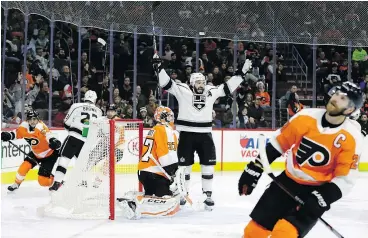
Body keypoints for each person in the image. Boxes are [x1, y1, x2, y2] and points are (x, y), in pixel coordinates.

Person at [238, 81, 364, 238]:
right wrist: (254, 169)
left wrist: (321, 199)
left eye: (343, 99)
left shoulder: (352, 137)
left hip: (314, 192)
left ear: (350, 109)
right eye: (337, 94)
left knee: (284, 234)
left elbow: (345, 179)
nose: (335, 98)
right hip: (286, 182)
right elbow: (279, 143)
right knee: (253, 233)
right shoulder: (305, 116)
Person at [153, 54, 252, 210]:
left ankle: (207, 194)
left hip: (205, 134)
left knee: (208, 165)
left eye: (203, 82)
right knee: (184, 166)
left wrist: (241, 73)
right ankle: (182, 193)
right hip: (186, 134)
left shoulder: (210, 91)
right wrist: (159, 68)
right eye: (198, 82)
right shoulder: (183, 90)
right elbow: (166, 83)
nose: (201, 84)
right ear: (192, 82)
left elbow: (227, 88)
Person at [117, 106, 181, 219]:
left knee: (152, 196)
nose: (172, 119)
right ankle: (135, 204)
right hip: (155, 173)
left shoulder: (154, 129)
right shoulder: (164, 130)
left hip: (144, 172)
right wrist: (173, 172)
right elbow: (165, 156)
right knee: (167, 199)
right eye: (169, 116)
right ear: (163, 118)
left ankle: (137, 201)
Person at [49, 90, 103, 191]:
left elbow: (66, 122)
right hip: (87, 141)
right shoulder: (99, 111)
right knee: (83, 163)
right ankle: (84, 183)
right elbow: (96, 128)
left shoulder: (76, 106)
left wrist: (73, 130)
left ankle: (57, 182)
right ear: (95, 100)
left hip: (73, 137)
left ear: (85, 97)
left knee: (64, 160)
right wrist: (85, 133)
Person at [1, 110, 61, 191]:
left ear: (38, 119)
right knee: (24, 166)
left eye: (34, 119)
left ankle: (56, 182)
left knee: (43, 182)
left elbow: (48, 135)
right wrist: (8, 135)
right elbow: (16, 134)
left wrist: (54, 141)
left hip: (49, 155)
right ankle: (16, 184)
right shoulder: (24, 126)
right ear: (27, 120)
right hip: (35, 154)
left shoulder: (41, 127)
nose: (32, 121)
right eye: (30, 119)